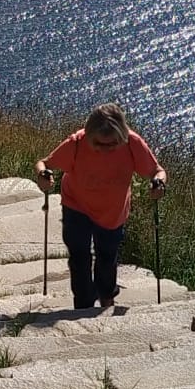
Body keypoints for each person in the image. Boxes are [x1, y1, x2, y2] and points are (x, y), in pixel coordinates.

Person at [34, 103, 166, 311]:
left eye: (112, 144)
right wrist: (43, 176)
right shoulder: (77, 143)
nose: (105, 149)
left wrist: (158, 183)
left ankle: (106, 299)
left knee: (107, 256)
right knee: (79, 258)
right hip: (76, 205)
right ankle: (84, 305)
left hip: (112, 211)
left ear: (121, 135)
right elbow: (44, 164)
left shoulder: (132, 143)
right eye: (99, 144)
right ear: (89, 134)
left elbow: (157, 171)